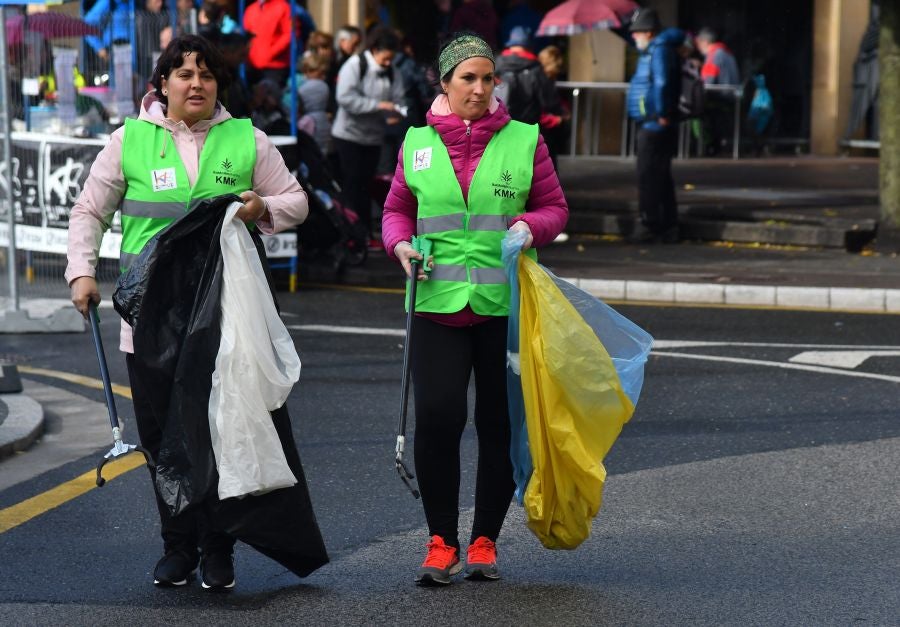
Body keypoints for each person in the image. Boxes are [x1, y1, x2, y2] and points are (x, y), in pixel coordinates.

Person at [66, 34, 311, 591]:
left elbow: (295, 200)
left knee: (220, 433)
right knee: (162, 439)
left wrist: (261, 206)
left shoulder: (245, 138)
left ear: (218, 85)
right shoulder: (129, 140)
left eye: (206, 74)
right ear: (162, 85)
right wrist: (81, 270)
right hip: (149, 319)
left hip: (223, 319)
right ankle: (178, 546)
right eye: (183, 73)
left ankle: (218, 548)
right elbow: (89, 210)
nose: (196, 83)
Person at [381, 32, 568, 586]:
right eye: (469, 78)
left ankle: (485, 539)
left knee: (498, 423)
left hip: (501, 305)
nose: (481, 89)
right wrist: (399, 245)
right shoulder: (415, 143)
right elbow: (396, 209)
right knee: (438, 418)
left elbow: (554, 207)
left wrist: (529, 226)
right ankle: (441, 541)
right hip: (436, 302)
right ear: (445, 84)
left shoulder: (524, 139)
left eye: (489, 79)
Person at [333, 26, 405, 250]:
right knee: (352, 185)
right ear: (374, 50)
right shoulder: (355, 65)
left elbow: (399, 98)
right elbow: (345, 97)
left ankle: (364, 233)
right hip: (349, 136)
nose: (387, 63)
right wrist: (377, 106)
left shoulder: (393, 71)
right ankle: (351, 232)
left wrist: (394, 112)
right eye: (385, 58)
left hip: (373, 137)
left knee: (365, 185)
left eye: (391, 60)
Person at [625, 8, 681, 243]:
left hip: (654, 123)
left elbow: (662, 82)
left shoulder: (658, 50)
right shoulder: (654, 50)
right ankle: (667, 224)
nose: (634, 37)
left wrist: (661, 113)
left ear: (648, 32)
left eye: (637, 33)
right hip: (653, 121)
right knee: (660, 175)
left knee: (648, 174)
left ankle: (650, 223)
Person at [695, 27, 741, 155]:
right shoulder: (726, 53)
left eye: (698, 43)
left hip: (721, 98)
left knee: (693, 109)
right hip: (731, 96)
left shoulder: (714, 54)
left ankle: (706, 145)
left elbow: (707, 82)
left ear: (704, 42)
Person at [243, 0, 293, 86]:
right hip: (252, 65)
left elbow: (289, 34)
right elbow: (246, 34)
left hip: (275, 67)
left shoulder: (283, 7)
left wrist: (270, 53)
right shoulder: (251, 10)